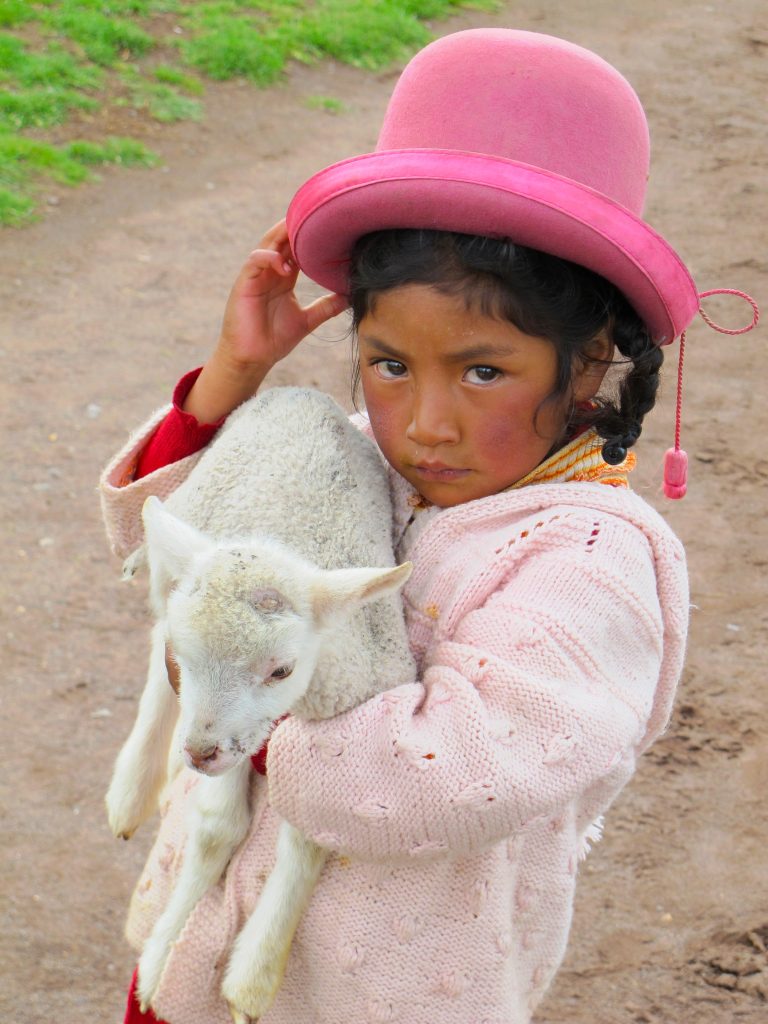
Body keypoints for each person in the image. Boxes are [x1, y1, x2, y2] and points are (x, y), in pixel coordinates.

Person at [99, 28, 755, 1024]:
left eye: (483, 370)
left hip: (378, 993)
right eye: (391, 362)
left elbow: (446, 773)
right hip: (201, 946)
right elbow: (176, 557)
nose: (427, 421)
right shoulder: (354, 453)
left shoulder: (588, 560)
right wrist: (236, 378)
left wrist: (246, 693)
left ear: (587, 362)